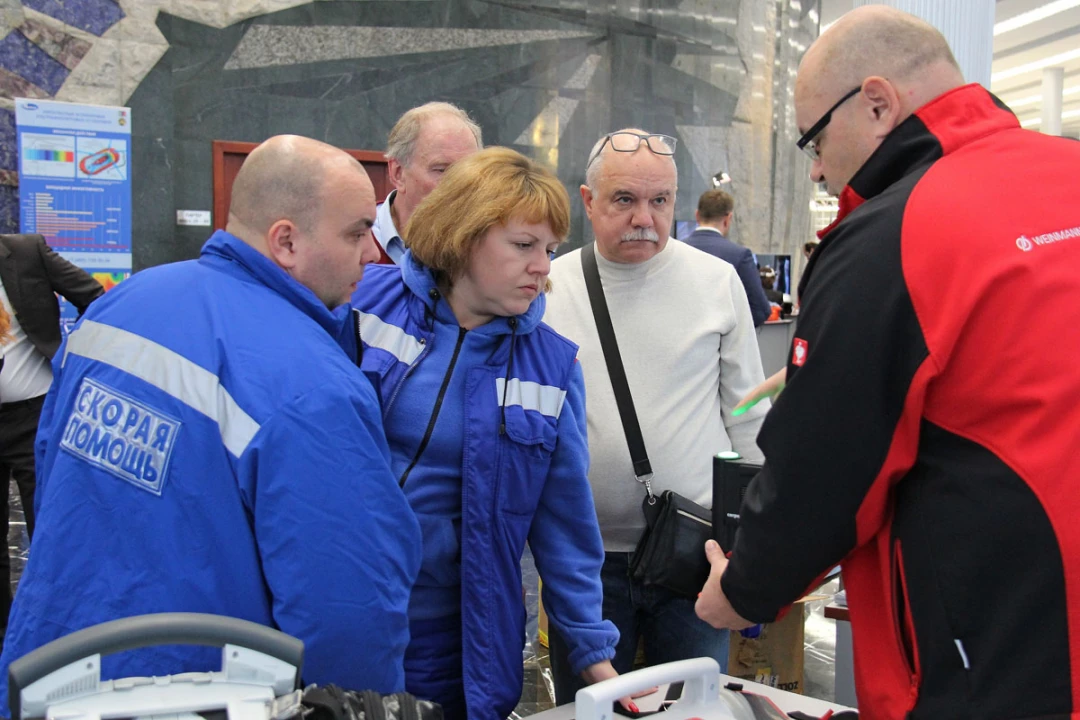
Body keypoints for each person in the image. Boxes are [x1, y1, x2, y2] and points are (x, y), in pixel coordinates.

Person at [695, 6, 1080, 719]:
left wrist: (743, 589)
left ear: (877, 102)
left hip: (984, 653)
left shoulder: (891, 234)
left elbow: (823, 474)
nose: (815, 167)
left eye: (813, 138)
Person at [0, 135, 422, 709]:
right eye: (355, 232)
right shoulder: (313, 387)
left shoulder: (119, 307)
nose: (373, 254)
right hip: (195, 690)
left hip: (53, 669)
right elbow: (348, 609)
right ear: (286, 241)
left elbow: (52, 470)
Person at [350, 147, 620, 720]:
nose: (544, 267)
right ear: (463, 236)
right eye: (523, 246)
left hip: (458, 633)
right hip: (341, 605)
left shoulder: (551, 368)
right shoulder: (361, 304)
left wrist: (597, 656)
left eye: (549, 250)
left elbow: (565, 525)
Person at [543, 129, 769, 704]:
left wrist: (747, 543)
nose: (644, 217)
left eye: (660, 201)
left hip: (693, 561)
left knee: (691, 710)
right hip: (584, 569)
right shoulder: (546, 287)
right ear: (588, 201)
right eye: (624, 200)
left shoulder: (715, 282)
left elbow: (747, 413)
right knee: (592, 712)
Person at [0, 232, 103, 642]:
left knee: (49, 525)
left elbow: (95, 296)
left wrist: (74, 359)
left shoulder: (26, 252)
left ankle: (53, 630)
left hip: (35, 415)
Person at [373, 102, 483, 263]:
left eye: (466, 171)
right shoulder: (352, 241)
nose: (458, 185)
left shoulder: (489, 247)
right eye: (441, 170)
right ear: (398, 173)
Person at [683, 190, 771, 327]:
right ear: (728, 219)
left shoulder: (675, 251)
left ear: (697, 215)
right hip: (720, 345)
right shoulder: (740, 256)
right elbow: (760, 310)